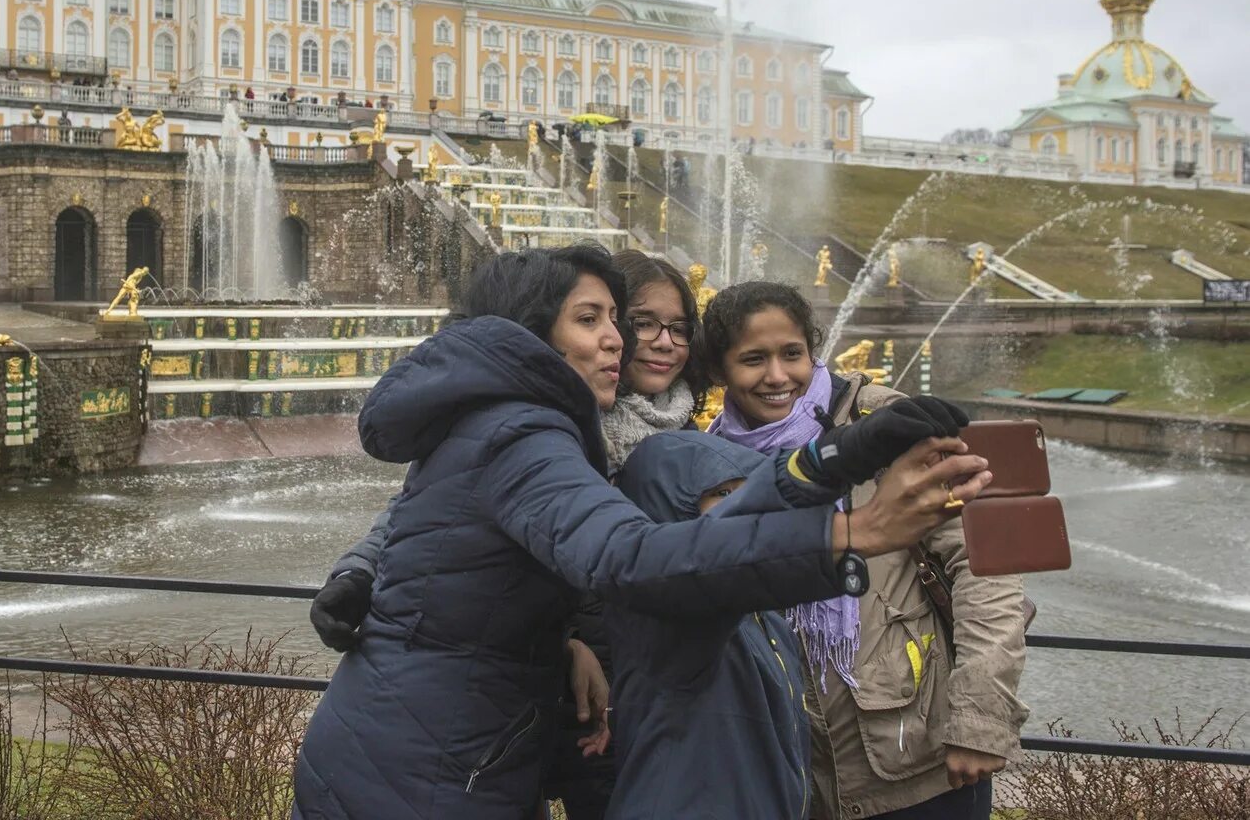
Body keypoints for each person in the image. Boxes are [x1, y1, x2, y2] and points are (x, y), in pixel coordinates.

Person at [293, 245, 984, 820]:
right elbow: (625, 555)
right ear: (532, 332)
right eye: (600, 319)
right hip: (443, 756)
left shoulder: (595, 429)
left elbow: (457, 523)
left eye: (671, 325)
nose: (627, 339)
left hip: (493, 732)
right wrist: (847, 531)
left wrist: (840, 456)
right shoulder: (531, 433)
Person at [310, 248, 711, 818]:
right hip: (534, 709)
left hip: (634, 695)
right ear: (544, 327)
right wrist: (360, 569)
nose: (654, 340)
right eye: (640, 321)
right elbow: (428, 513)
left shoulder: (703, 434)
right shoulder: (547, 420)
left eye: (678, 327)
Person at [696, 281, 1029, 820]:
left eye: (792, 354)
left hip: (917, 758)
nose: (778, 376)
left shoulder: (882, 423)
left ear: (814, 350)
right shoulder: (709, 457)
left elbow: (985, 564)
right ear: (720, 371)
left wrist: (980, 717)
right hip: (791, 775)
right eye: (753, 359)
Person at [606, 421, 987, 820]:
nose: (745, 508)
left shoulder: (762, 613)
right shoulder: (666, 606)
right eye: (720, 494)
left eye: (746, 492)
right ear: (664, 507)